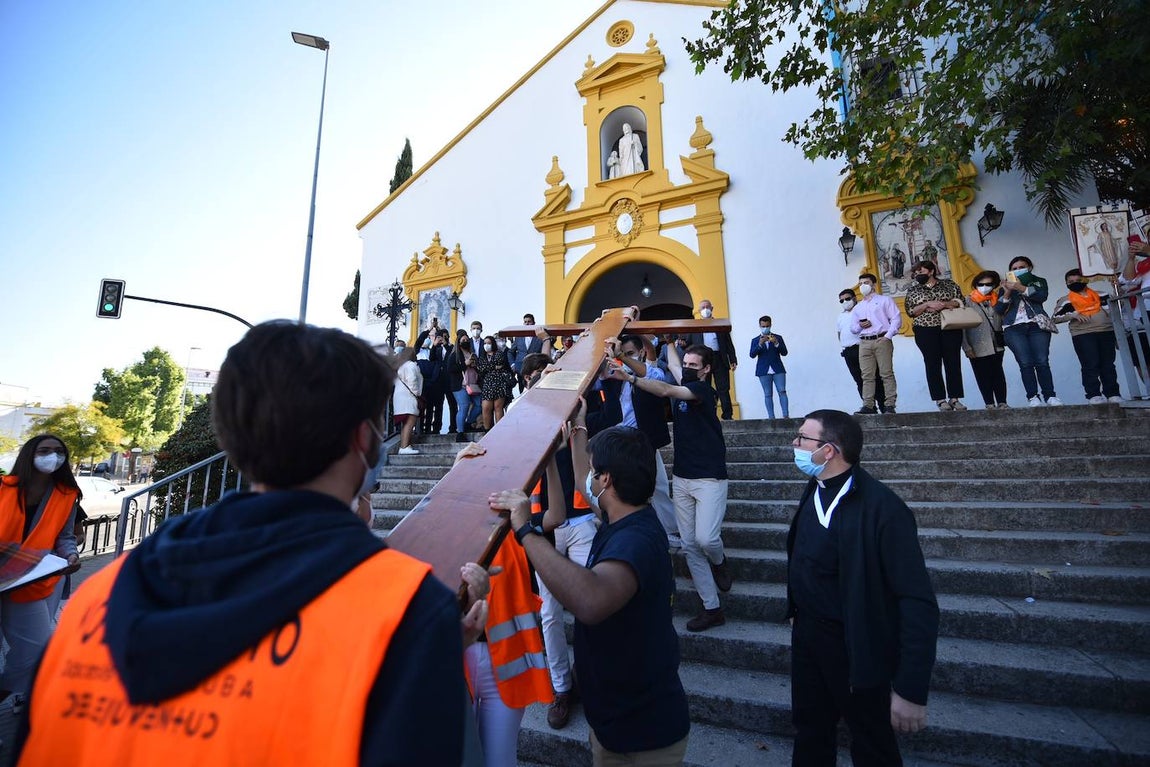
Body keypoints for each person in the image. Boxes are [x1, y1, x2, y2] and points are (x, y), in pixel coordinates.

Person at [15, 321, 475, 765]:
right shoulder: (405, 613)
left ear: (232, 437)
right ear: (363, 439)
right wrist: (430, 651)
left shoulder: (100, 595)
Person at [490, 425, 691, 765]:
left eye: (596, 473)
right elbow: (583, 475)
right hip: (616, 722)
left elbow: (590, 601)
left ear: (607, 481)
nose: (590, 479)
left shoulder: (636, 541)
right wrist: (579, 429)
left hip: (643, 735)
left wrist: (525, 530)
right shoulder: (625, 516)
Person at [787, 409, 939, 767]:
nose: (794, 444)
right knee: (810, 732)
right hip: (809, 640)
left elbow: (917, 600)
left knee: (872, 744)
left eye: (802, 439)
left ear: (829, 450)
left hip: (858, 647)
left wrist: (910, 688)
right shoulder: (814, 491)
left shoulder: (884, 509)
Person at [628, 343, 732, 632]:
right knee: (689, 545)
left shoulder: (702, 391)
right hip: (684, 478)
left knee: (707, 540)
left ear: (707, 370)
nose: (686, 368)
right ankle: (712, 608)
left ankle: (720, 561)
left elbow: (664, 390)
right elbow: (674, 365)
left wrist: (632, 379)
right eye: (686, 363)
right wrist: (667, 340)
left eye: (693, 365)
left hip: (710, 478)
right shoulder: (686, 375)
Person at [0, 435, 82, 712]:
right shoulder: (4, 488)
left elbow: (65, 536)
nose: (53, 456)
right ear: (29, 455)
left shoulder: (67, 494)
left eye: (59, 452)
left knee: (37, 649)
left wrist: (70, 553)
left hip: (29, 581)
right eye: (45, 450)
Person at [603, 333, 681, 552]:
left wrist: (624, 359)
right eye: (623, 353)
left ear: (641, 353)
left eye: (630, 354)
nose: (625, 357)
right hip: (619, 437)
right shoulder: (612, 370)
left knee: (658, 487)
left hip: (644, 439)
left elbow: (652, 376)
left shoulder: (652, 371)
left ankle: (670, 530)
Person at [996, 256, 1062, 406]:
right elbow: (999, 309)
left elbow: (1041, 296)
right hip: (1013, 328)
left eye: (1021, 267)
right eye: (1014, 268)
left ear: (1030, 267)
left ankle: (1050, 396)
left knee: (1042, 361)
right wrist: (1006, 291)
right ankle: (1033, 397)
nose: (1018, 270)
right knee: (1025, 363)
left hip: (1036, 325)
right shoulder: (1005, 286)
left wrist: (1021, 287)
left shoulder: (1038, 281)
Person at [904, 259, 968, 411]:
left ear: (931, 271)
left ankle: (954, 398)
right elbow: (910, 311)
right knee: (932, 363)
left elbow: (960, 301)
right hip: (925, 329)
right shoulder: (913, 290)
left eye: (921, 271)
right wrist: (927, 304)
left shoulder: (948, 284)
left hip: (950, 326)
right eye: (916, 273)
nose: (918, 274)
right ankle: (940, 399)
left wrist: (943, 304)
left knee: (953, 362)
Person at [1052, 268, 1122, 403]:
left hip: (1106, 331)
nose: (1075, 283)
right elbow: (1055, 318)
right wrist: (1073, 314)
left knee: (1108, 364)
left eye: (1078, 280)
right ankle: (1093, 394)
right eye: (1070, 281)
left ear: (1085, 280)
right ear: (1066, 284)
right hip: (1083, 335)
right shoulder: (1066, 301)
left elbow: (1119, 306)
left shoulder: (1102, 295)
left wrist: (1119, 289)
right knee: (1090, 364)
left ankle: (1113, 394)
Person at [850, 273, 900, 415]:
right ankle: (868, 405)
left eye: (866, 282)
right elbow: (853, 328)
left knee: (886, 373)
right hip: (865, 341)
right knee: (866, 375)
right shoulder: (858, 307)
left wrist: (888, 336)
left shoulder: (885, 300)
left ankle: (890, 404)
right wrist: (861, 325)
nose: (862, 286)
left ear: (873, 284)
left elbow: (896, 319)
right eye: (860, 284)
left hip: (881, 339)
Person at [686, 298, 739, 420]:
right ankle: (708, 415)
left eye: (707, 307)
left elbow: (728, 344)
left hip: (719, 358)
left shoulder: (720, 324)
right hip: (703, 360)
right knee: (705, 387)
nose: (705, 310)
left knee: (723, 388)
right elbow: (687, 343)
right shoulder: (695, 326)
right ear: (699, 311)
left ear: (712, 308)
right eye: (703, 308)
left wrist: (733, 359)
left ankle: (727, 415)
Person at [964, 270, 1010, 408]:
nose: (984, 286)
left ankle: (1002, 402)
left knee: (998, 373)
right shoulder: (967, 301)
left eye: (989, 284)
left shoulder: (997, 300)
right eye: (981, 284)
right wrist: (966, 347)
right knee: (982, 375)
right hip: (977, 343)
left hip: (996, 342)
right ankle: (989, 403)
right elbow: (962, 326)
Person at [836, 290, 886, 413]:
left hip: (862, 348)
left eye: (847, 299)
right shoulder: (840, 316)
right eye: (841, 301)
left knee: (873, 377)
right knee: (859, 380)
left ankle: (883, 405)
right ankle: (869, 407)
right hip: (848, 351)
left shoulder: (861, 310)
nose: (845, 302)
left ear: (854, 298)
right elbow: (839, 333)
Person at [750, 315, 788, 419]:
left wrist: (776, 343)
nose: (765, 328)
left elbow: (785, 352)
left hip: (778, 369)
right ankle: (771, 417)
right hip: (763, 370)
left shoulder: (778, 337)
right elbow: (752, 355)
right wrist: (760, 344)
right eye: (763, 326)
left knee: (782, 391)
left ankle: (786, 415)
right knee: (767, 394)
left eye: (767, 326)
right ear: (759, 326)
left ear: (770, 325)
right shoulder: (755, 340)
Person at [477, 335, 514, 430]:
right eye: (485, 343)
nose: (486, 345)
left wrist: (488, 367)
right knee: (486, 408)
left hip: (499, 383)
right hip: (487, 384)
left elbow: (498, 363)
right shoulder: (482, 356)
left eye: (488, 343)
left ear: (493, 344)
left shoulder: (499, 353)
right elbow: (481, 368)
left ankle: (499, 430)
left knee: (498, 408)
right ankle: (487, 430)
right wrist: (493, 367)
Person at [392, 344, 423, 454]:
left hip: (400, 397)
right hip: (409, 397)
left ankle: (405, 445)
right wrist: (417, 394)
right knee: (410, 422)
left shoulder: (400, 366)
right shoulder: (410, 365)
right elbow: (412, 381)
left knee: (406, 423)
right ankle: (404, 447)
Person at [510, 313, 544, 391]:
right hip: (520, 369)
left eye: (529, 322)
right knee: (522, 392)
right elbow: (511, 352)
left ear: (534, 323)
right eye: (525, 322)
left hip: (534, 370)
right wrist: (512, 364)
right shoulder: (518, 337)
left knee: (533, 390)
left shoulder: (539, 337)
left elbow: (542, 353)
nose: (527, 324)